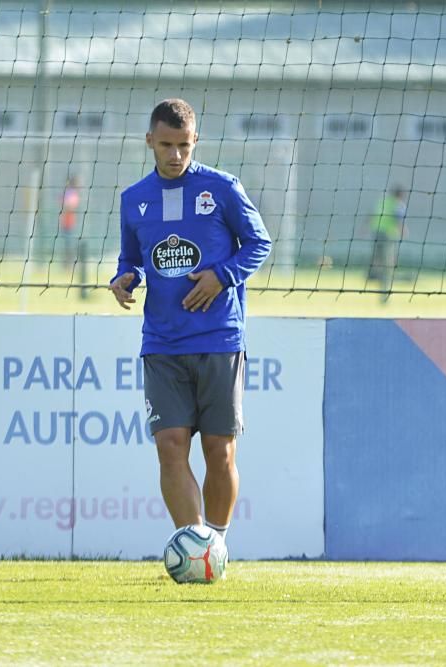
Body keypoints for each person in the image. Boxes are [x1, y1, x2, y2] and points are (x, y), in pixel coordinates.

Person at [110, 99, 272, 559]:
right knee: (170, 445)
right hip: (162, 342)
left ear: (195, 141)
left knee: (219, 452)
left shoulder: (221, 189)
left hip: (219, 338)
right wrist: (124, 278)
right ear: (149, 142)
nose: (176, 154)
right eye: (166, 145)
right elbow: (131, 258)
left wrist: (222, 275)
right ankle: (194, 547)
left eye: (184, 145)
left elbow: (259, 243)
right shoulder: (133, 199)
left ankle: (215, 543)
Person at [367, 185, 407, 296]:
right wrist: (403, 231)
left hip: (376, 233)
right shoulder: (398, 204)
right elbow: (398, 218)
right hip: (387, 236)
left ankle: (374, 278)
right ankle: (384, 290)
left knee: (378, 262)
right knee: (387, 265)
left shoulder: (382, 201)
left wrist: (365, 228)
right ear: (401, 195)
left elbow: (371, 215)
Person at [59, 175, 81, 267]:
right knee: (67, 244)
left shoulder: (73, 194)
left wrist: (66, 204)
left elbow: (71, 205)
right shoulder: (68, 192)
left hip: (70, 223)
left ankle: (70, 263)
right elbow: (62, 202)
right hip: (65, 223)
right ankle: (67, 263)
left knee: (70, 244)